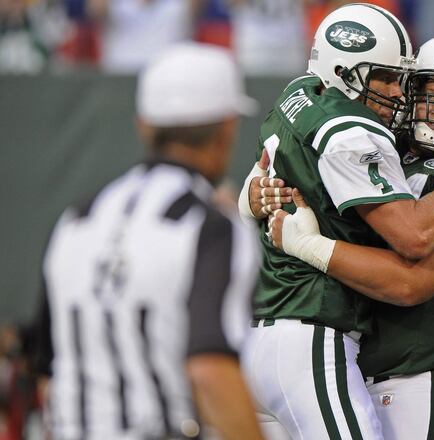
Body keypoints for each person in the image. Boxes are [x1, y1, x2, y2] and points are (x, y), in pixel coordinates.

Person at [239, 5, 434, 439]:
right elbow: (284, 167)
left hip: (420, 371)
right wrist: (258, 192)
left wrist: (306, 245)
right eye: (430, 94)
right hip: (353, 362)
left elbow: (412, 282)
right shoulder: (381, 146)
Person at [34, 43, 266, 440]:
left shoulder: (77, 219)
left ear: (144, 124)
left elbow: (48, 372)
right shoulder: (208, 224)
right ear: (227, 128)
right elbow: (211, 370)